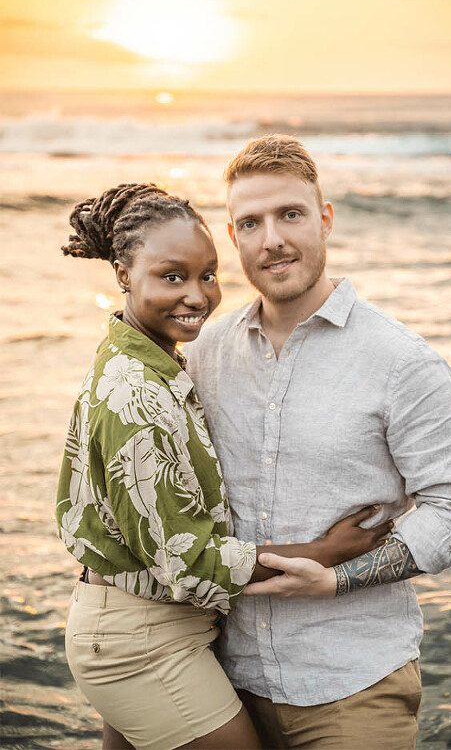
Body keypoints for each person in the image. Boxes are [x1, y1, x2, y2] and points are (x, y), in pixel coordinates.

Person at [55, 183, 391, 750]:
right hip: (141, 641)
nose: (197, 296)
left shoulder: (153, 361)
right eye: (172, 277)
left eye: (207, 275)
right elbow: (186, 562)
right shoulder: (136, 396)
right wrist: (326, 553)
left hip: (145, 627)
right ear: (122, 273)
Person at [181, 135, 451, 748]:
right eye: (251, 222)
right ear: (233, 236)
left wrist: (337, 579)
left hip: (352, 685)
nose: (272, 238)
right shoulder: (204, 355)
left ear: (324, 219)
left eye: (290, 214)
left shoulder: (402, 362)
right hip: (220, 681)